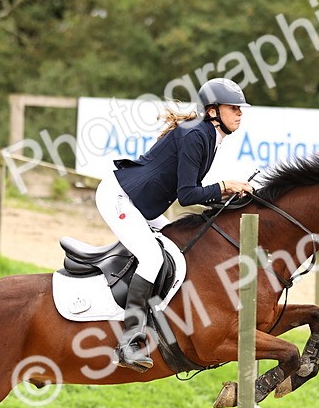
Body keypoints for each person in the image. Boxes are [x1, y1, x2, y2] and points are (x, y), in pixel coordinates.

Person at [97, 77, 254, 372]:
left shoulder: (208, 135)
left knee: (176, 248)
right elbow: (187, 195)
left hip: (141, 203)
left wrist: (228, 195)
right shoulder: (198, 136)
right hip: (120, 198)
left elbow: (193, 191)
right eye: (233, 108)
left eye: (240, 108)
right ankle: (128, 342)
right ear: (212, 112)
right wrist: (224, 186)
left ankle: (156, 316)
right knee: (153, 257)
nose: (240, 113)